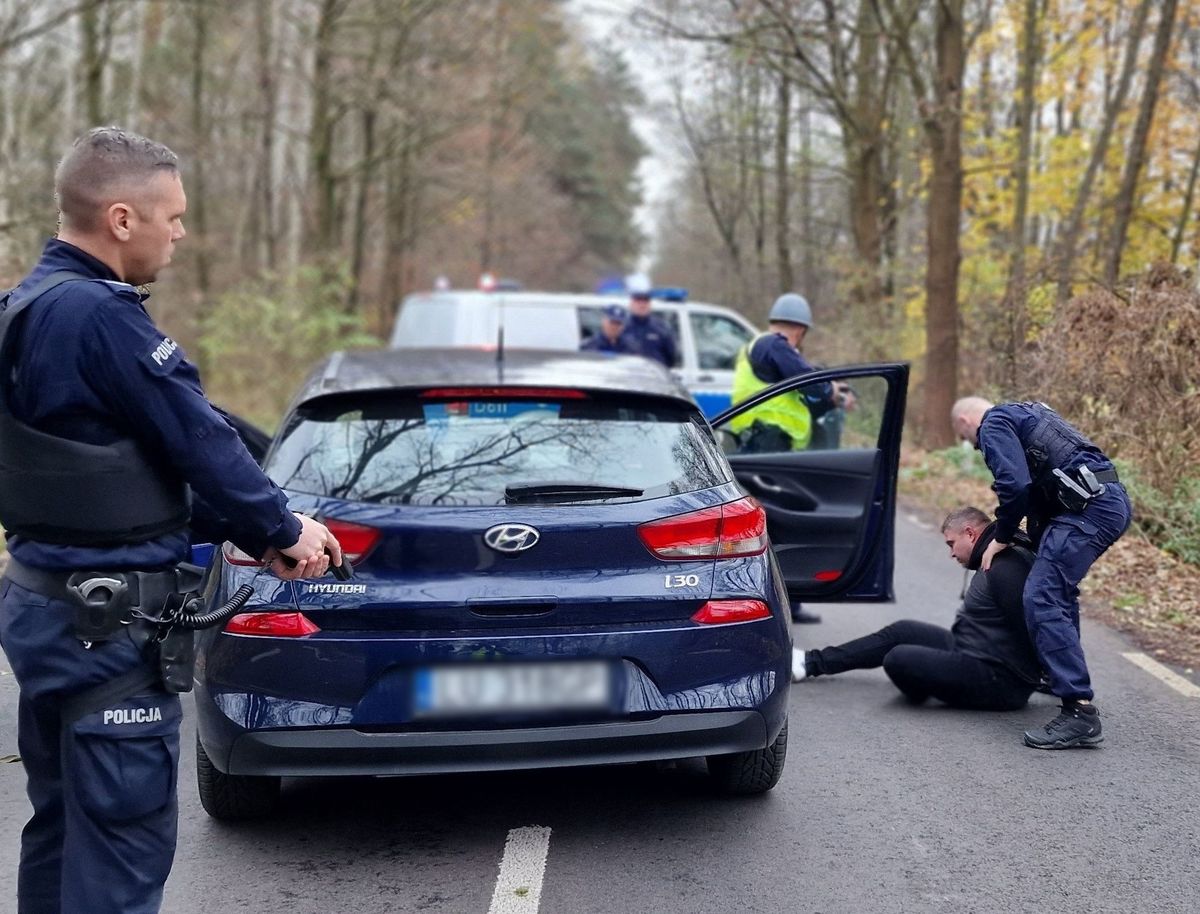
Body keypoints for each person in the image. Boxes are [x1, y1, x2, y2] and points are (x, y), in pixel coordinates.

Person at [0, 126, 343, 914]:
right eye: (174, 217)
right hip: (108, 628)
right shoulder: (102, 317)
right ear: (123, 219)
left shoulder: (20, 310)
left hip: (43, 603)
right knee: (119, 846)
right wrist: (284, 531)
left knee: (59, 831)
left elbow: (125, 454)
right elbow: (197, 441)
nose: (181, 234)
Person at [951, 397, 1132, 749]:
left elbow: (1015, 486)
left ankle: (1079, 713)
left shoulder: (993, 422)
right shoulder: (1033, 412)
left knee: (1042, 594)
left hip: (1089, 509)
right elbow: (1043, 484)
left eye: (970, 441)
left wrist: (1000, 538)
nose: (977, 447)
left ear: (964, 420)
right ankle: (1055, 674)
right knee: (1058, 590)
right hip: (1105, 500)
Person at [791, 506, 1041, 711]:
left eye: (951, 544)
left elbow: (1032, 625)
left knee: (899, 658)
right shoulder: (993, 558)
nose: (951, 554)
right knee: (902, 631)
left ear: (970, 533)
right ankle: (809, 663)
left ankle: (931, 679)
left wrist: (1055, 681)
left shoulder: (1005, 568)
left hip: (1000, 680)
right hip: (971, 650)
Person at [728, 292, 854, 455]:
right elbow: (809, 382)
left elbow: (795, 393)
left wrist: (832, 398)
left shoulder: (758, 347)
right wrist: (832, 390)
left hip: (758, 438)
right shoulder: (774, 344)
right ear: (801, 331)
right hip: (769, 441)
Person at [618, 272, 677, 367]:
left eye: (645, 300)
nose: (642, 304)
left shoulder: (661, 329)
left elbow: (671, 358)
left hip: (655, 380)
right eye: (638, 300)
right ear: (631, 303)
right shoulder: (622, 328)